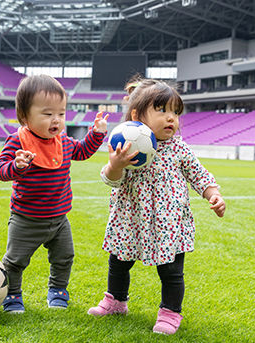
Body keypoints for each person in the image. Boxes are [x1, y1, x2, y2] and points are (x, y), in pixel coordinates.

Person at [87, 78, 226, 335]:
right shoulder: (127, 143)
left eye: (175, 111)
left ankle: (170, 311)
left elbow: (199, 175)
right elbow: (110, 179)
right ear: (138, 115)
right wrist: (115, 164)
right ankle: (116, 300)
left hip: (168, 222)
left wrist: (213, 194)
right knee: (118, 261)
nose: (171, 118)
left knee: (171, 270)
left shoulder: (178, 148)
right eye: (162, 110)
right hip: (130, 218)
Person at [0, 74, 109, 313]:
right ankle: (13, 295)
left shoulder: (63, 142)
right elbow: (0, 169)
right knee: (15, 261)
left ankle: (57, 291)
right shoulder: (18, 142)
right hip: (26, 219)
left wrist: (97, 134)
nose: (56, 120)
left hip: (59, 218)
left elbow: (83, 151)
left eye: (61, 113)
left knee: (64, 257)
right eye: (47, 114)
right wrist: (16, 167)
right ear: (24, 116)